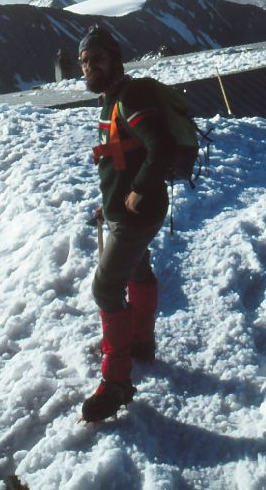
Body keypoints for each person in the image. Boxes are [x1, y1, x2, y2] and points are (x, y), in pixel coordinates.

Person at [78, 25, 169, 422]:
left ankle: (116, 382)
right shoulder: (111, 100)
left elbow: (159, 147)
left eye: (97, 57)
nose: (88, 66)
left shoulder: (129, 97)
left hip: (137, 214)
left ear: (115, 59)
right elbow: (121, 161)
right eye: (83, 60)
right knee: (138, 270)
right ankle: (141, 342)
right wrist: (109, 205)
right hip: (125, 213)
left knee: (105, 288)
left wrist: (139, 191)